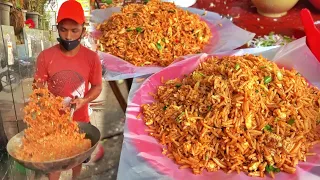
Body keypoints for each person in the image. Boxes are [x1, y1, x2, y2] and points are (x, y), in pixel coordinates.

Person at [33, 0, 103, 179]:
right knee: (54, 161)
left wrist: (84, 100)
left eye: (74, 30)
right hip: (52, 123)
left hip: (79, 121)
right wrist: (45, 100)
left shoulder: (92, 58)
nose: (69, 36)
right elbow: (38, 87)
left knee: (77, 159)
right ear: (57, 29)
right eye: (63, 30)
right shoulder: (45, 57)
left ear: (83, 30)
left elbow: (97, 86)